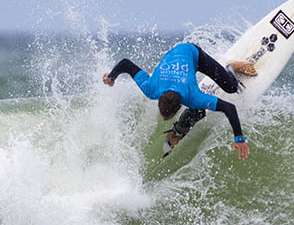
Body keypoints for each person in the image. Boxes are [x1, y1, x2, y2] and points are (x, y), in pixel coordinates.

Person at [102, 42, 257, 159]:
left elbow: (229, 108)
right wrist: (111, 77)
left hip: (191, 52)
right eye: (163, 114)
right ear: (159, 99)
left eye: (166, 116)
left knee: (231, 88)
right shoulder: (151, 88)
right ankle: (179, 130)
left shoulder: (192, 97)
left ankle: (230, 67)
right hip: (174, 55)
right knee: (197, 110)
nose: (163, 118)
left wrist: (239, 138)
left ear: (178, 107)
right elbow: (125, 64)